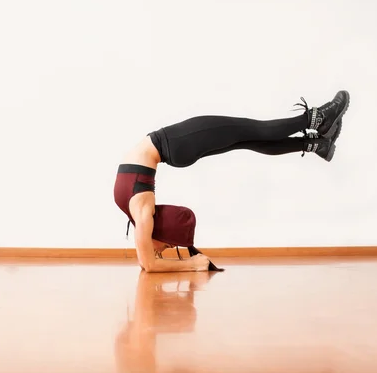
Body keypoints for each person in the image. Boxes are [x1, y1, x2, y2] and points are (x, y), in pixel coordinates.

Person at [114, 90, 350, 272]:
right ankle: (318, 118)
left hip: (174, 148)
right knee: (251, 130)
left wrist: (166, 258)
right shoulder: (142, 213)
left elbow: (146, 263)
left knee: (248, 138)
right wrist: (193, 264)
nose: (163, 249)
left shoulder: (141, 215)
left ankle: (317, 145)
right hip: (175, 145)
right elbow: (149, 265)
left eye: (165, 247)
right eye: (168, 247)